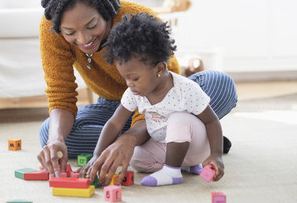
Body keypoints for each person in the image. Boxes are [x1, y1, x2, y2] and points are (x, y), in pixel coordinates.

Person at [37, 0, 237, 181]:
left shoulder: (138, 18)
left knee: (220, 84)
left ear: (105, 10)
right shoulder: (52, 27)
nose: (83, 39)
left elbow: (164, 84)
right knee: (49, 133)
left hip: (168, 104)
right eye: (70, 32)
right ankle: (182, 140)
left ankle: (177, 137)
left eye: (91, 25)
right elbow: (61, 95)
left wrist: (131, 137)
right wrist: (56, 140)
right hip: (117, 105)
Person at [82, 13, 223, 187]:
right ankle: (179, 166)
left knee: (178, 118)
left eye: (134, 78)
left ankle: (172, 172)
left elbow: (212, 121)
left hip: (196, 147)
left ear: (159, 68)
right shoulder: (134, 93)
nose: (129, 84)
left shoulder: (185, 89)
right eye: (125, 78)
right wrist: (97, 154)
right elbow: (114, 124)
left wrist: (216, 154)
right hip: (166, 147)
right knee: (135, 158)